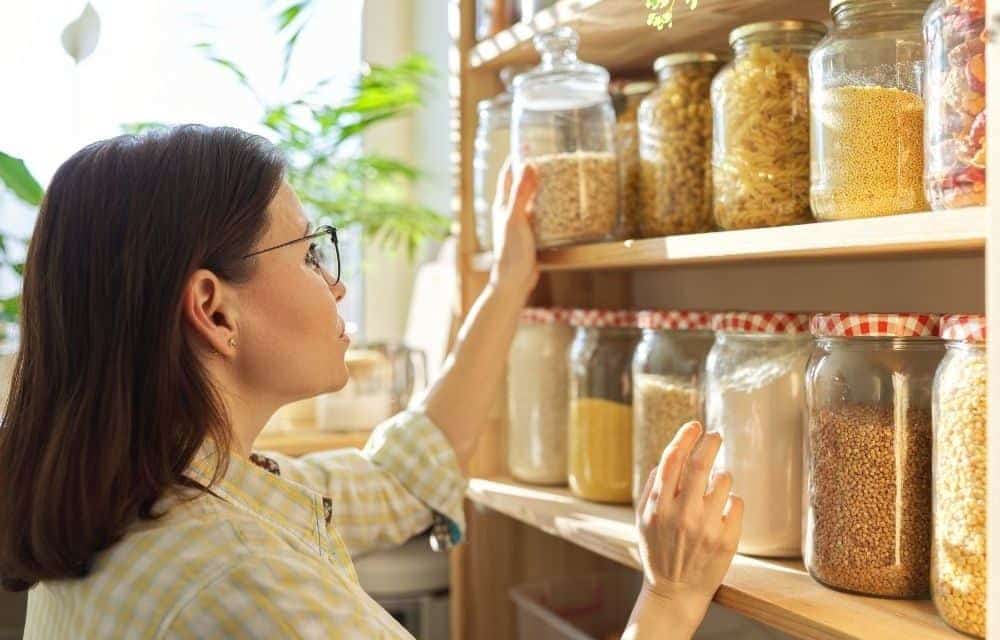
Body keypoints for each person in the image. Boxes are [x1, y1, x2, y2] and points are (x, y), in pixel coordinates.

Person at [0, 125, 742, 639]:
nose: (337, 286)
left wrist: (510, 280)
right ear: (213, 311)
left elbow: (404, 470)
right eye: (310, 254)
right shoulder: (241, 580)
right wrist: (670, 598)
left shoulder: (149, 495)